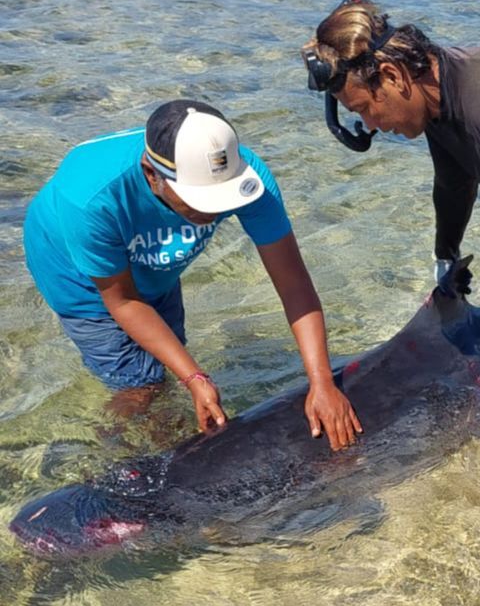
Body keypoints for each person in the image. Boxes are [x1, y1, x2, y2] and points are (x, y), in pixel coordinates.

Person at [24, 98, 362, 451]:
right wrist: (195, 377)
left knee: (169, 356)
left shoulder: (243, 174)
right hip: (73, 269)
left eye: (222, 197)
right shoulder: (89, 199)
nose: (214, 211)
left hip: (148, 255)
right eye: (199, 199)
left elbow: (293, 282)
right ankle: (113, 467)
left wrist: (322, 382)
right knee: (140, 383)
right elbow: (123, 300)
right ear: (152, 174)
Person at [302, 0, 480, 292]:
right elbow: (454, 186)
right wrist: (445, 258)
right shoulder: (439, 96)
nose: (371, 126)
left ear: (392, 75)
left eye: (363, 109)